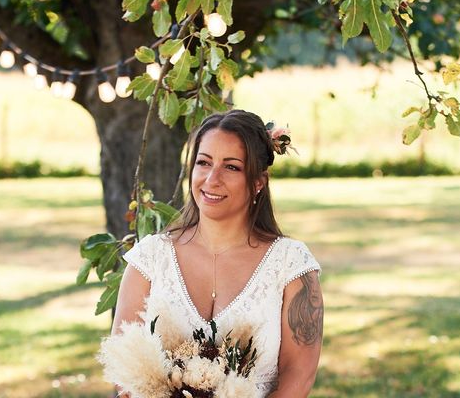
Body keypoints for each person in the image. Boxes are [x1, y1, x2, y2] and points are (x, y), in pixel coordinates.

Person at [112, 109, 323, 397]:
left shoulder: (291, 264)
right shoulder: (149, 259)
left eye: (232, 167)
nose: (212, 179)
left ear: (258, 181)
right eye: (203, 162)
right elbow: (125, 374)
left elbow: (299, 373)